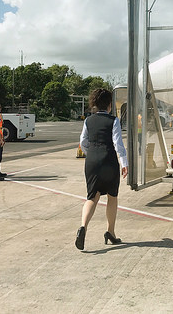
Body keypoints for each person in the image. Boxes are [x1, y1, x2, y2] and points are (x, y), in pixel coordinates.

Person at [75, 88, 128, 251]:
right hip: (108, 160)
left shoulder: (88, 121)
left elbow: (83, 141)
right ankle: (110, 232)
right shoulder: (113, 120)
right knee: (112, 197)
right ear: (109, 105)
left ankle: (83, 226)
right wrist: (124, 162)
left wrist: (91, 153)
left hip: (91, 160)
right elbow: (117, 143)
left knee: (92, 196)